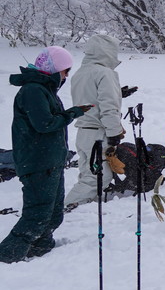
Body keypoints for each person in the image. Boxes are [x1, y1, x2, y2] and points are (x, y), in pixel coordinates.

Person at [0, 47, 90, 263]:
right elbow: (45, 124)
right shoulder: (33, 90)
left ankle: (40, 251)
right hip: (37, 162)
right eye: (65, 71)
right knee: (38, 214)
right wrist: (74, 112)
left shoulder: (45, 89)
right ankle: (6, 257)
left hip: (51, 161)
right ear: (53, 69)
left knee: (53, 214)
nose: (66, 76)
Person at [66, 33, 133, 209]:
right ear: (107, 51)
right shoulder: (105, 73)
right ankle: (65, 207)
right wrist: (114, 134)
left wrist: (118, 93)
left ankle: (80, 205)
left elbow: (90, 99)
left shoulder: (80, 73)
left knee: (88, 172)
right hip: (98, 133)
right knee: (99, 176)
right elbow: (108, 107)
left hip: (83, 131)